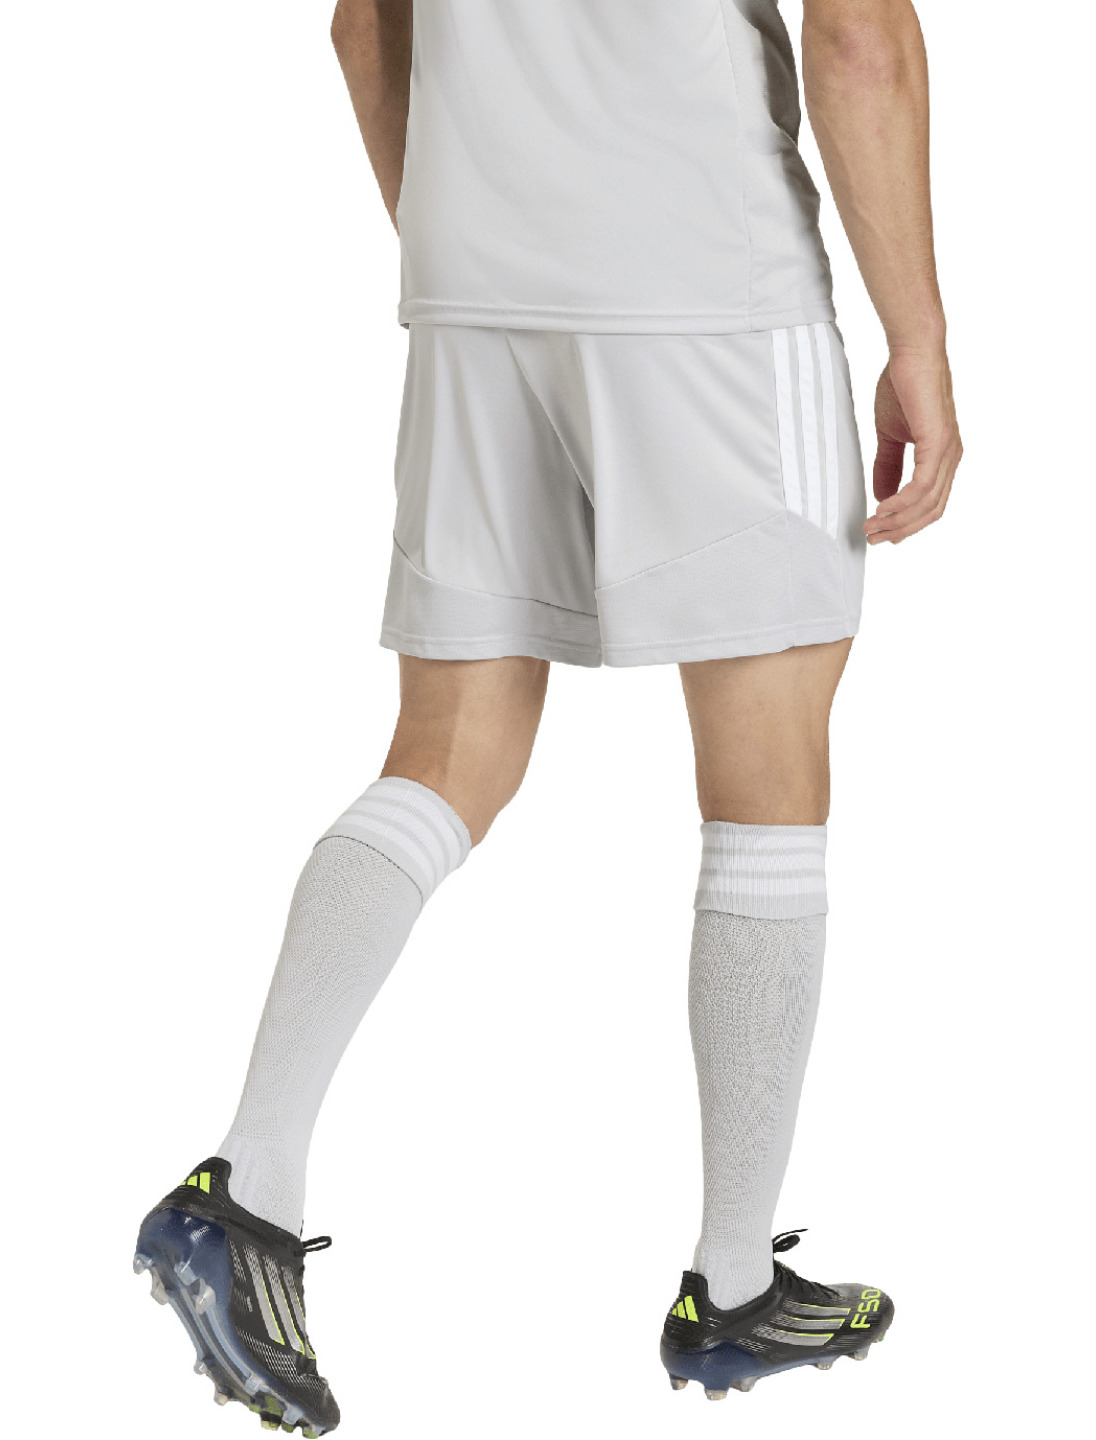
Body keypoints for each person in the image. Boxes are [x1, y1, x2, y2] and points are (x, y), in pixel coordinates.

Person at [134, 0, 962, 1431]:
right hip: (709, 288)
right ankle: (731, 1287)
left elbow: (362, 27)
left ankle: (244, 1191)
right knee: (767, 780)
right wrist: (922, 339)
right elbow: (859, 41)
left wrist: (476, 255)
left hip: (475, 290)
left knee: (448, 754)